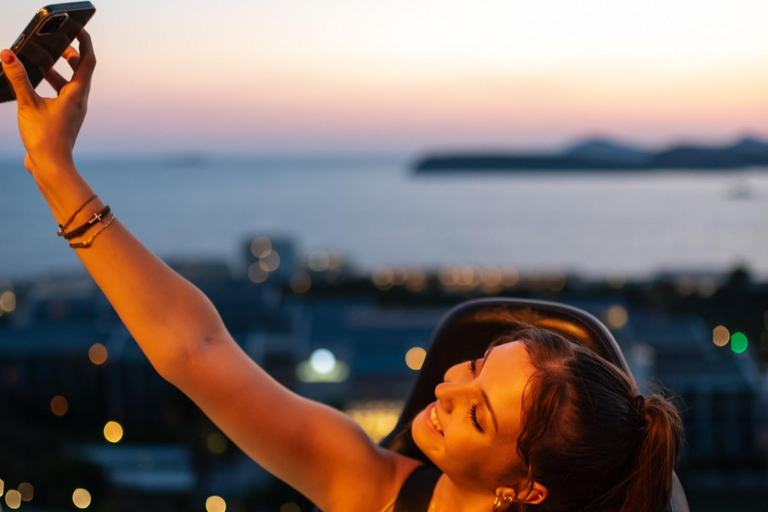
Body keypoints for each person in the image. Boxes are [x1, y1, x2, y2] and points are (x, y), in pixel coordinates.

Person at [1, 32, 684, 512]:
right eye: (477, 365)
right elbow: (196, 351)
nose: (443, 389)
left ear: (525, 489)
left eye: (477, 413)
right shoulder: (373, 485)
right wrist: (54, 170)